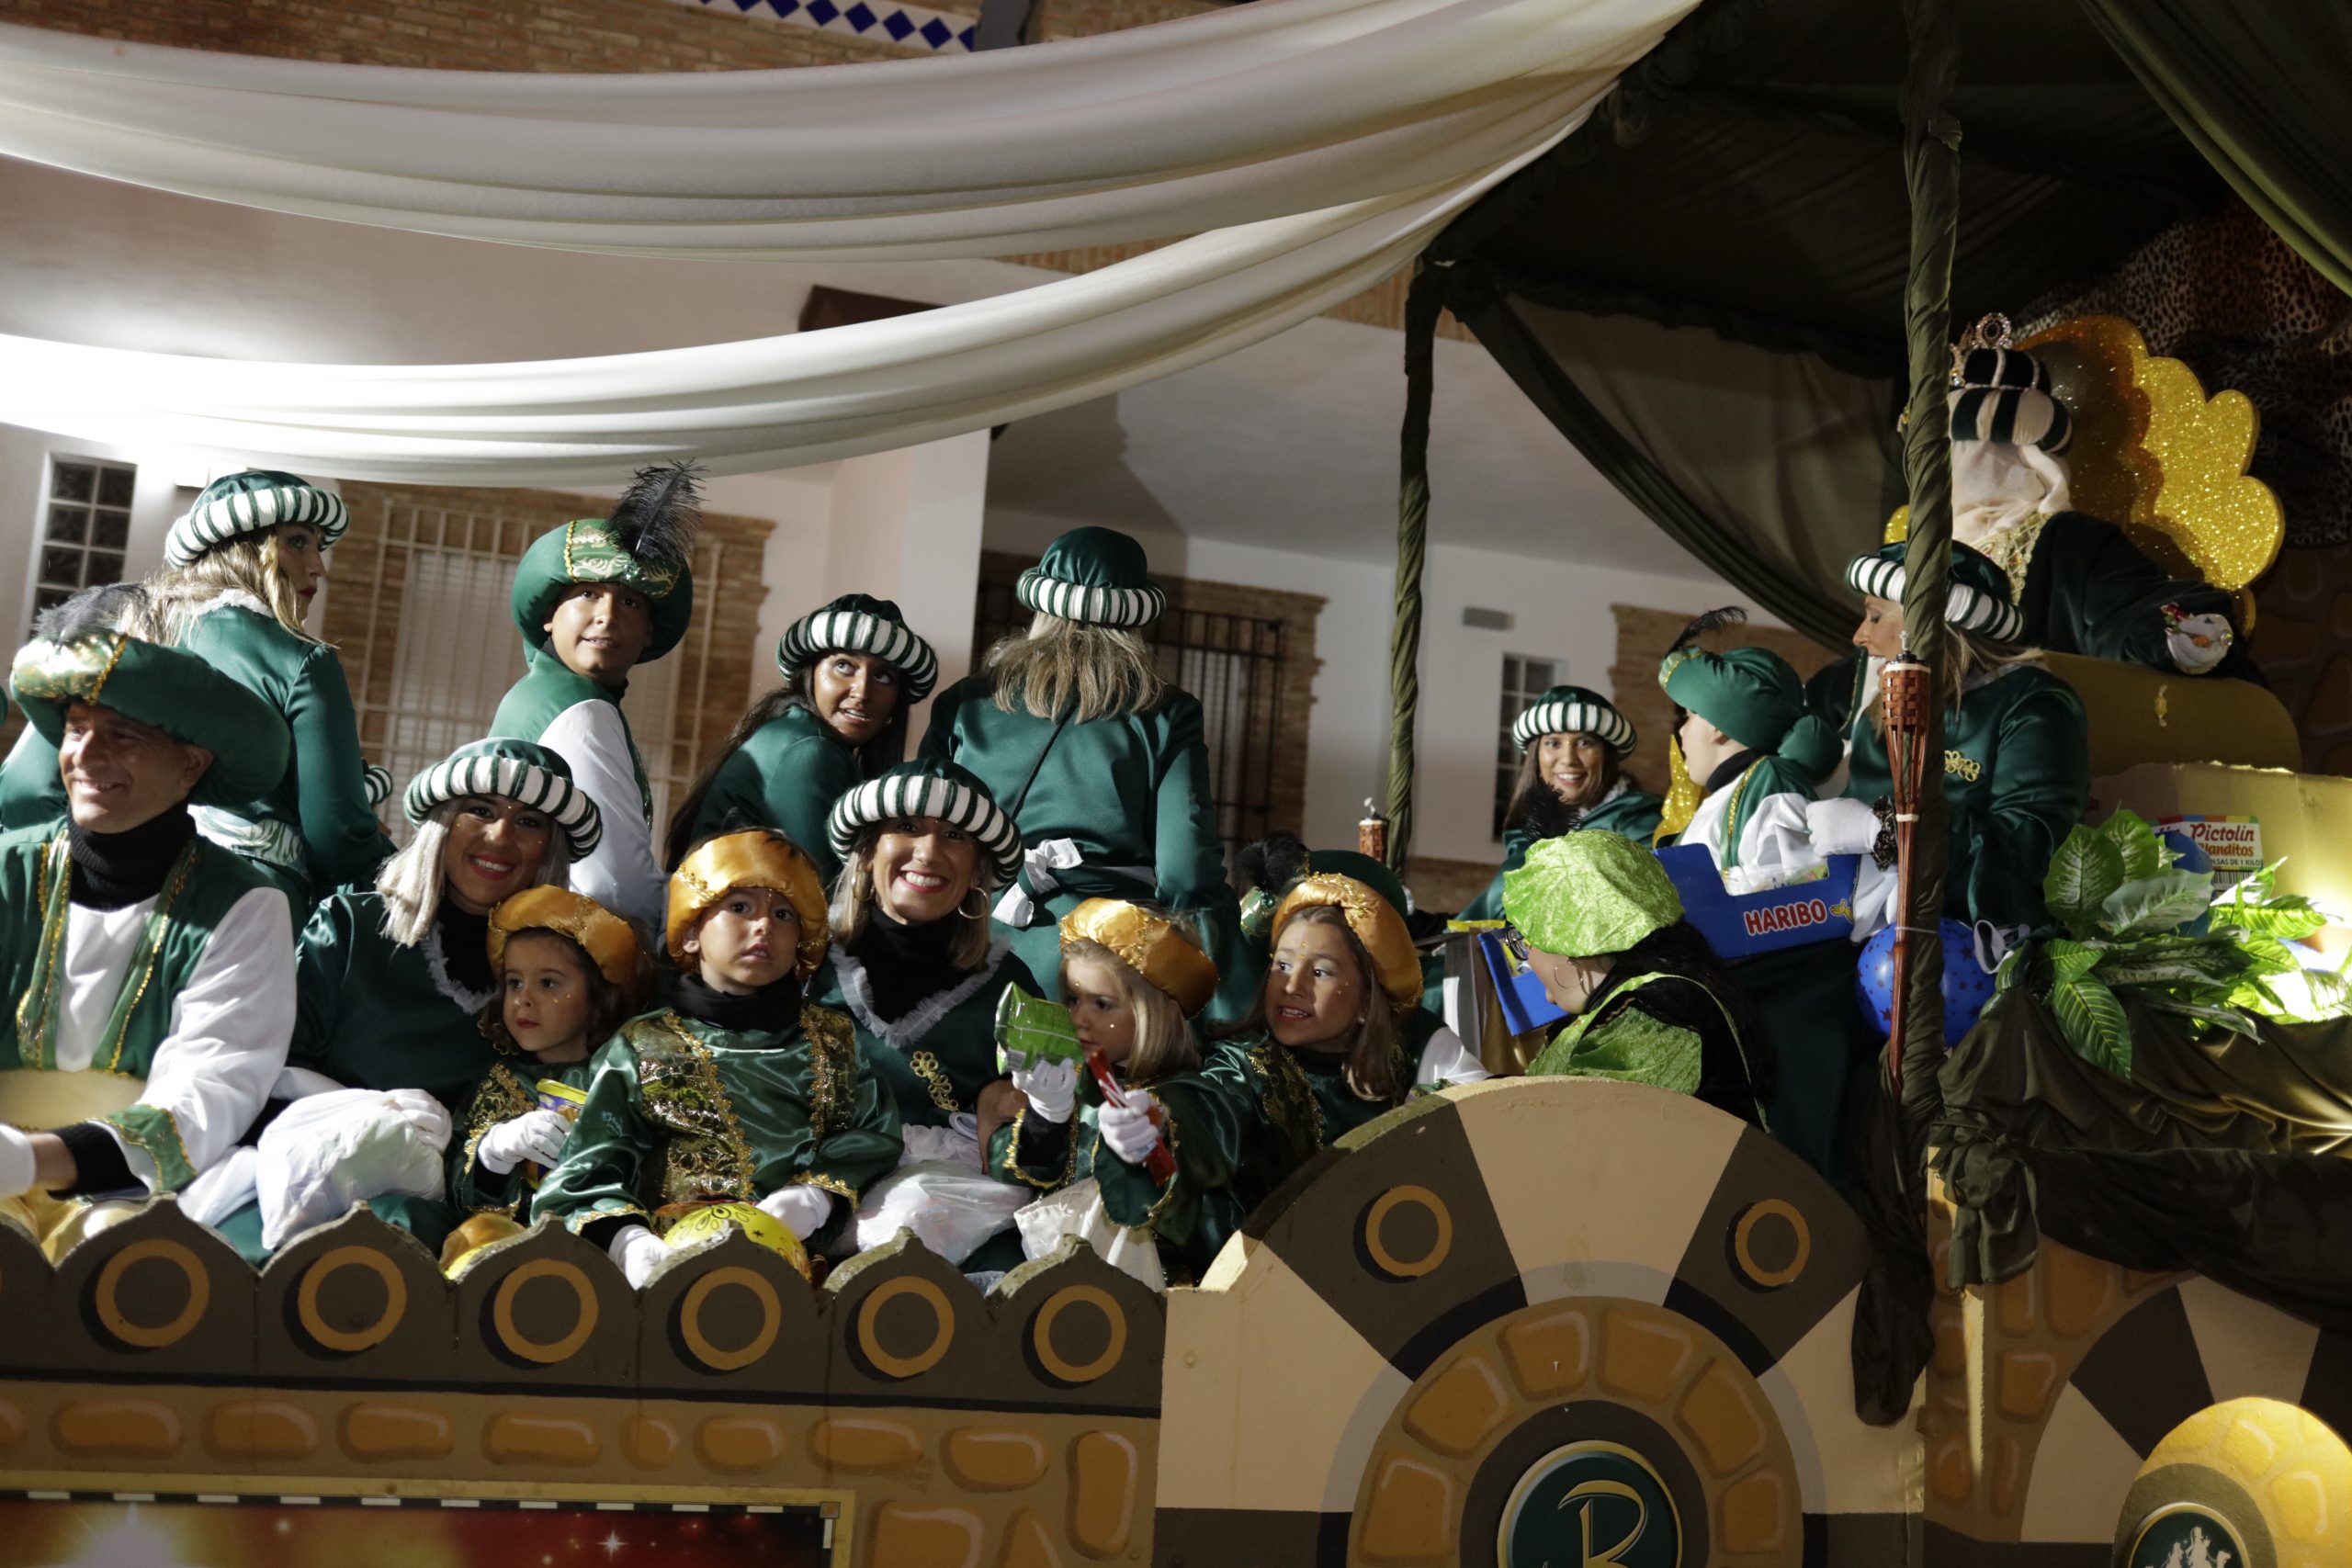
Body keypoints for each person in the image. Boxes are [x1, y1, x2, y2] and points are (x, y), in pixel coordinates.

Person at [225, 740, 601, 1260]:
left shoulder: (566, 975)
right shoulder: (350, 928)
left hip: (451, 1220)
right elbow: (264, 1076)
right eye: (480, 810)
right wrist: (365, 1123)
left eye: (529, 822)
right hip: (300, 1175)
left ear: (550, 849)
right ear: (442, 822)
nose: (500, 836)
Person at [0, 600, 294, 1257]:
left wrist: (29, 1160)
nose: (86, 754)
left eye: (122, 735)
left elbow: (213, 1087)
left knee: (117, 1274)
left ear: (191, 765)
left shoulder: (245, 904)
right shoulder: (4, 871)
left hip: (136, 1189)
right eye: (76, 729)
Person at [535, 829, 903, 1287]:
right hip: (665, 1272)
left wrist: (817, 1195)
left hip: (796, 1277)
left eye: (783, 914)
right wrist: (626, 1240)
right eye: (740, 907)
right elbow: (586, 1168)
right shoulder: (641, 1046)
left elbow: (873, 1132)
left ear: (801, 943)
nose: (764, 926)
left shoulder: (833, 1039)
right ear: (691, 931)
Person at [919, 526, 1255, 1019]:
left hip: (967, 933)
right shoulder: (1167, 712)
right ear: (1135, 618)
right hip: (1100, 959)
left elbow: (924, 820)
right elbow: (1186, 869)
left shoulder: (966, 701)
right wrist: (1225, 968)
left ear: (1042, 606)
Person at [1807, 542, 2089, 943]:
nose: (1860, 636)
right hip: (1867, 928)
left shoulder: (2032, 704)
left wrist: (1889, 831)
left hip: (1974, 939)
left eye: (1875, 616)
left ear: (1931, 623)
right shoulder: (1881, 713)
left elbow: (2030, 851)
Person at [145, 468, 395, 902]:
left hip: (142, 883)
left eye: (318, 546)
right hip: (254, 900)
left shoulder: (145, 637)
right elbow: (337, 839)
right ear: (242, 547)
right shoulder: (301, 660)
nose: (318, 566)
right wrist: (395, 864)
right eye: (297, 542)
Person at [1941, 337, 2250, 679]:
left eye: (1958, 451)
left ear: (2016, 455)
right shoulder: (1924, 556)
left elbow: (2127, 613)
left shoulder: (2066, 540)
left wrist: (2174, 637)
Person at [492, 463, 701, 936]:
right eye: (587, 593)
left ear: (649, 632)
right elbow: (615, 884)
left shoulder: (539, 690)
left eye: (629, 602)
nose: (607, 616)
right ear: (550, 615)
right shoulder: (580, 708)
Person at [994, 898, 1238, 1284]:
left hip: (1159, 1296)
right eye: (1073, 999)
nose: (1079, 1018)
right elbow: (1011, 1174)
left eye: (1103, 1005)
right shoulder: (1070, 1084)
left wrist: (1151, 1130)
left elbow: (1192, 1139)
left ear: (1151, 1013)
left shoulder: (1192, 1094)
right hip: (1059, 1282)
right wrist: (1046, 1117)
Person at [1195, 872, 1444, 1216]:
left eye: (1319, 973)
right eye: (1282, 965)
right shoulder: (1244, 1065)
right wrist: (1161, 1122)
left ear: (1366, 1002)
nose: (1291, 986)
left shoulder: (1397, 1065)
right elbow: (1208, 1113)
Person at [811, 759, 1033, 1144]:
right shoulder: (803, 961)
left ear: (978, 871)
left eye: (955, 835)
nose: (929, 853)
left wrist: (1023, 1116)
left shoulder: (1012, 991)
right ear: (867, 851)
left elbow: (1046, 1152)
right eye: (907, 827)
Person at [666, 594, 939, 886]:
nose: (862, 692)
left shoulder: (790, 730)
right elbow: (828, 894)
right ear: (811, 674)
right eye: (844, 666)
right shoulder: (810, 750)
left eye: (883, 677)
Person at [1507, 833, 1772, 1125]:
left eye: (1526, 941)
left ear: (1569, 941)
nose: (1528, 958)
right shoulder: (1624, 1006)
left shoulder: (1653, 1011)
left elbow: (1583, 1130)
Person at [447, 886, 647, 1235]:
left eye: (548, 983)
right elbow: (463, 1196)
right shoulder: (501, 1083)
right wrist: (493, 1153)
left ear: (599, 996)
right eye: (514, 982)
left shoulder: (624, 1078)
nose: (523, 999)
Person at [1460, 684, 1662, 921]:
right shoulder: (1534, 831)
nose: (1568, 759)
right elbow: (1485, 916)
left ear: (1607, 754)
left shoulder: (1640, 823)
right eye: (1553, 743)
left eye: (1584, 743)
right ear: (1536, 756)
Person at [1657, 632, 1843, 889]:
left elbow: (1796, 889)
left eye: (1688, 717)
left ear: (1716, 725)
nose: (1681, 731)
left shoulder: (1771, 783)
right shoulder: (1727, 795)